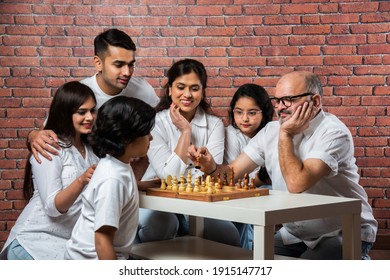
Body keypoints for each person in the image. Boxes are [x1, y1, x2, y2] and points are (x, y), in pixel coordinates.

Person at [188, 71, 378, 260]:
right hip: (296, 234)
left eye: (288, 99)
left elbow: (296, 183)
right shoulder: (271, 130)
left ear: (316, 102)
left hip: (342, 229)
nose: (280, 107)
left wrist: (285, 134)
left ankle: (358, 262)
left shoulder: (334, 133)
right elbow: (232, 174)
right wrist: (211, 167)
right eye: (277, 100)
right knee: (258, 264)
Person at [137, 58, 241, 246]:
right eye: (180, 87)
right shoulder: (155, 123)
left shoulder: (215, 124)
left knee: (230, 236)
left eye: (194, 88)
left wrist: (203, 167)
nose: (187, 94)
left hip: (197, 200)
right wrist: (186, 131)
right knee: (160, 226)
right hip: (157, 199)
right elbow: (168, 176)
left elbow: (210, 175)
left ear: (202, 91)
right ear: (169, 89)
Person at [27, 28, 159, 165]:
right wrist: (32, 136)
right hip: (92, 172)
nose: (127, 72)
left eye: (131, 64)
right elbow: (47, 134)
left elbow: (161, 127)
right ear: (98, 63)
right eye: (118, 65)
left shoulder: (142, 90)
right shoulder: (81, 94)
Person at [0, 81, 99, 260]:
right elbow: (53, 207)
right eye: (82, 112)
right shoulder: (50, 147)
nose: (90, 117)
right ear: (65, 113)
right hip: (33, 242)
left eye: (93, 110)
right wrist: (82, 180)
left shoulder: (92, 152)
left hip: (67, 243)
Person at [64, 96, 156, 260]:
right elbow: (102, 240)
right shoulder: (112, 179)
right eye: (146, 132)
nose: (151, 138)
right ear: (127, 137)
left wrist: (145, 184)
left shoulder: (117, 165)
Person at [224, 83, 274, 250]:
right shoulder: (230, 134)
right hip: (237, 194)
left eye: (252, 113)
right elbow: (233, 178)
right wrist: (258, 179)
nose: (244, 119)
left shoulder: (271, 133)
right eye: (239, 112)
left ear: (264, 112)